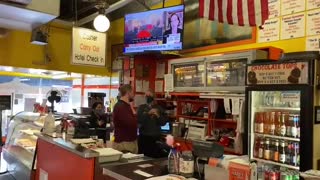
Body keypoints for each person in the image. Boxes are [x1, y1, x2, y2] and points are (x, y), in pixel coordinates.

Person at [138, 89, 168, 157]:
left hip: (155, 138)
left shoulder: (159, 108)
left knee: (155, 158)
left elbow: (163, 122)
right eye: (146, 95)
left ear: (153, 97)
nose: (147, 97)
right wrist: (148, 113)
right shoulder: (141, 108)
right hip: (144, 137)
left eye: (149, 95)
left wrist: (158, 115)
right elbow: (139, 120)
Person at [112, 84, 138, 153]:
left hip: (130, 141)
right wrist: (134, 112)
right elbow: (131, 123)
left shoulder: (126, 106)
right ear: (128, 93)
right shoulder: (121, 107)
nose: (133, 94)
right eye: (132, 92)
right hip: (124, 143)